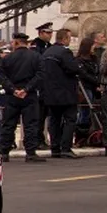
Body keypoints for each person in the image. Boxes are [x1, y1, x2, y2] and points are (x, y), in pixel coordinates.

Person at [0, 33, 45, 162]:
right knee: (30, 124)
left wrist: (13, 90)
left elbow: (1, 76)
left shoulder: (7, 58)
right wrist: (26, 89)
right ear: (26, 43)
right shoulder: (36, 57)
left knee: (8, 124)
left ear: (16, 42)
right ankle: (30, 152)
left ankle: (4, 152)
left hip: (12, 96)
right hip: (29, 95)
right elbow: (40, 75)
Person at [41, 28, 83, 159]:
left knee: (54, 120)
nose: (70, 40)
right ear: (64, 38)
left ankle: (55, 148)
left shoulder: (46, 52)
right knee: (70, 119)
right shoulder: (65, 52)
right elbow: (73, 69)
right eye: (69, 38)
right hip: (65, 93)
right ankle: (65, 148)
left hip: (50, 93)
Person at [32, 22, 54, 149]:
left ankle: (43, 139)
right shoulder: (36, 46)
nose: (50, 35)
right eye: (47, 33)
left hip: (48, 85)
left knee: (46, 114)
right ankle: (38, 140)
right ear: (40, 33)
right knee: (39, 115)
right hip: (39, 84)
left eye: (51, 33)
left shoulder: (49, 46)